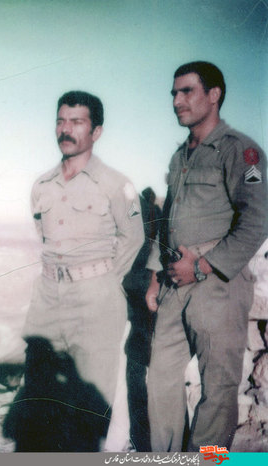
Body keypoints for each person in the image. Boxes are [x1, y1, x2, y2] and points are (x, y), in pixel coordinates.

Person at [145, 61, 268, 452]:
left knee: (217, 391)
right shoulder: (180, 156)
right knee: (160, 381)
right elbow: (168, 218)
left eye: (187, 91)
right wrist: (155, 276)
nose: (177, 101)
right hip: (173, 283)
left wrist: (200, 266)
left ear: (214, 95)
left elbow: (257, 220)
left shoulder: (241, 150)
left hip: (217, 285)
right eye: (174, 93)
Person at [22, 90, 144, 445]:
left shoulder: (116, 184)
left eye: (77, 122)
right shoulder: (41, 185)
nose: (66, 129)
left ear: (96, 131)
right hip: (47, 297)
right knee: (39, 400)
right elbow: (43, 235)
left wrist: (101, 280)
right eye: (61, 121)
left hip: (96, 300)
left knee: (89, 411)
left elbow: (133, 238)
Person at [123, 187, 161, 451]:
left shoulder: (136, 215)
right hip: (147, 290)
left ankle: (142, 439)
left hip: (139, 290)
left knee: (137, 367)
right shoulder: (155, 214)